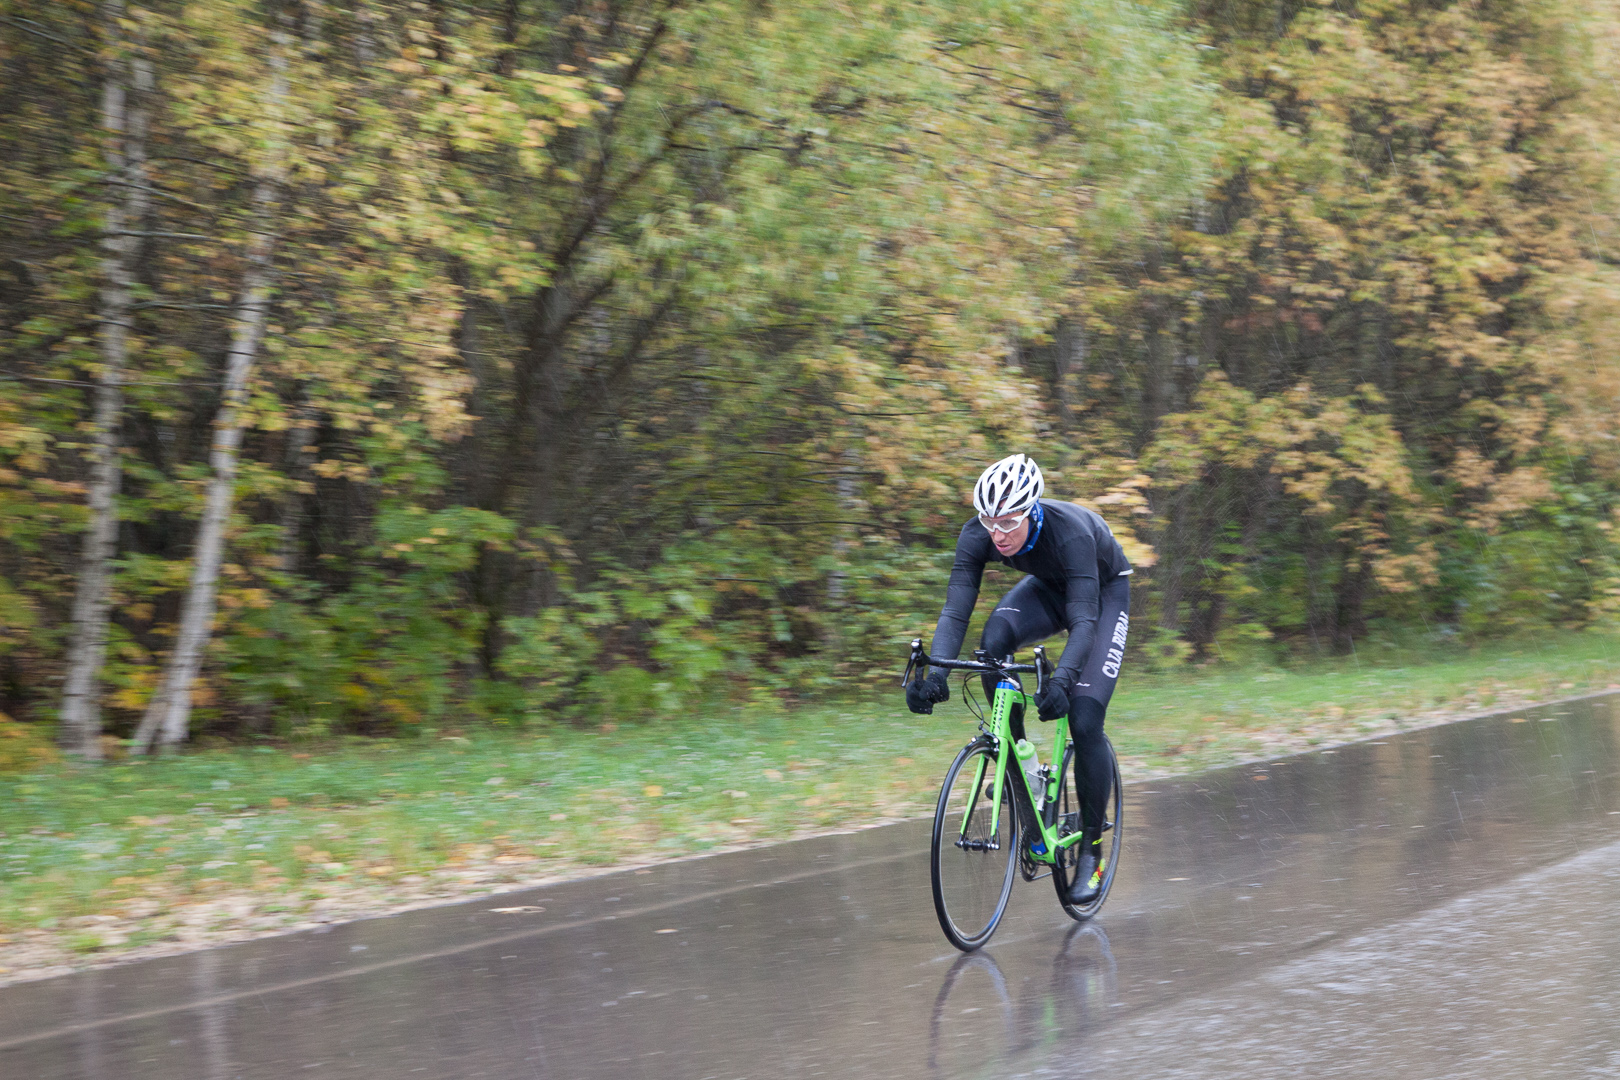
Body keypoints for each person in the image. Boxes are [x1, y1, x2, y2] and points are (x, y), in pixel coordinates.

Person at [906, 453, 1131, 905]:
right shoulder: (978, 534)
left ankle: (1091, 851)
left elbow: (1084, 622)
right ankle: (1024, 773)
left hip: (1102, 595)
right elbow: (956, 610)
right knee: (992, 647)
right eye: (990, 522)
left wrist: (1062, 682)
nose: (998, 534)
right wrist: (937, 674)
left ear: (1033, 511)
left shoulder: (1070, 533)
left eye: (1009, 522)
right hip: (1047, 588)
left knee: (1085, 718)